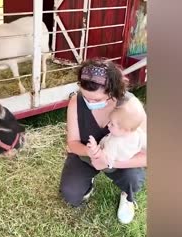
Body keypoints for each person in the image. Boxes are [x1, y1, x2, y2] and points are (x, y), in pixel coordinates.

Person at [60, 58, 147, 224]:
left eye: (97, 100)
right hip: (88, 155)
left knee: (133, 179)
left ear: (112, 92)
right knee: (71, 194)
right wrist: (92, 153)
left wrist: (108, 162)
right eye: (86, 98)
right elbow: (73, 142)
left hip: (120, 158)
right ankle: (89, 180)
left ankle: (127, 197)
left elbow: (149, 155)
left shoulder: (131, 107)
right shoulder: (75, 102)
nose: (90, 103)